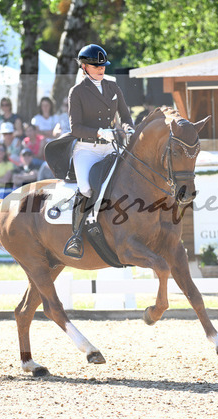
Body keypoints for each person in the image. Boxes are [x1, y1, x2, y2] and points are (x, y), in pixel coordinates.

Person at [62, 43, 135, 258]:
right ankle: (76, 236)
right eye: (96, 66)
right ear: (84, 67)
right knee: (86, 188)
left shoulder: (113, 88)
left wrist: (129, 128)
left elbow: (125, 116)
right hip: (87, 149)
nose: (101, 69)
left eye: (103, 66)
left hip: (110, 148)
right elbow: (75, 128)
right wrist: (99, 132)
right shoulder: (77, 92)